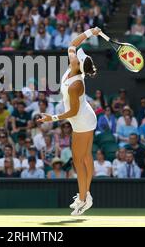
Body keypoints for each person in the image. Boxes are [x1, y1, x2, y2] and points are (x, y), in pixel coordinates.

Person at [38, 26, 100, 215]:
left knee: (78, 160)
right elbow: (73, 43)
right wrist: (91, 32)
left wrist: (52, 118)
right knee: (86, 157)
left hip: (81, 120)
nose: (75, 56)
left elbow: (72, 111)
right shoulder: (74, 63)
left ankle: (82, 199)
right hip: (84, 116)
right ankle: (86, 195)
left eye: (78, 57)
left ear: (79, 65)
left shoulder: (76, 85)